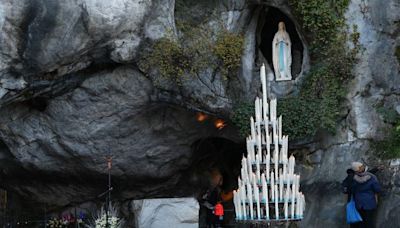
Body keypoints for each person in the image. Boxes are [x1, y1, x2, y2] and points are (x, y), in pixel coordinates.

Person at [349, 162, 382, 228]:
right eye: (361, 166)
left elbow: (352, 190)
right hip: (369, 203)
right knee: (369, 221)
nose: (363, 166)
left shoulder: (353, 178)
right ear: (359, 168)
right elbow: (377, 189)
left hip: (358, 203)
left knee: (361, 221)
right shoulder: (371, 177)